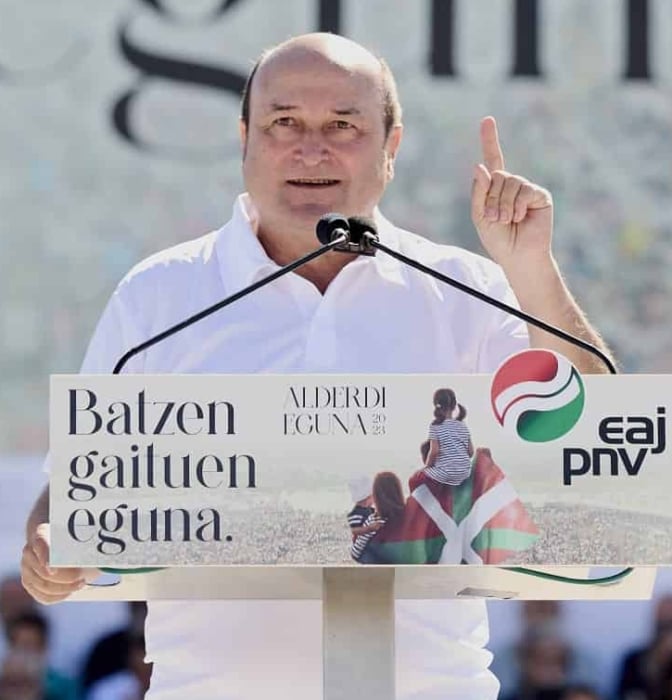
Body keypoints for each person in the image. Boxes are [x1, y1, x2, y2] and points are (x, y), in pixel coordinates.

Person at [20, 31, 613, 700]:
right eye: (284, 123)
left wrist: (530, 268)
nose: (311, 149)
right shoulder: (160, 295)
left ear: (391, 147)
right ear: (244, 139)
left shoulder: (466, 288)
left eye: (342, 125)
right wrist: (49, 543)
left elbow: (596, 449)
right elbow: (78, 483)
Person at [422, 387, 473, 486]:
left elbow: (434, 451)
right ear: (454, 406)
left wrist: (427, 468)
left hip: (446, 474)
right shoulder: (462, 425)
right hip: (465, 473)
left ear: (436, 406)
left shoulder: (435, 426)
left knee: (415, 478)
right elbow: (471, 452)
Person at [351, 471, 406, 564]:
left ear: (377, 497)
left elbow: (355, 553)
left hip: (377, 569)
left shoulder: (373, 521)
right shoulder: (408, 518)